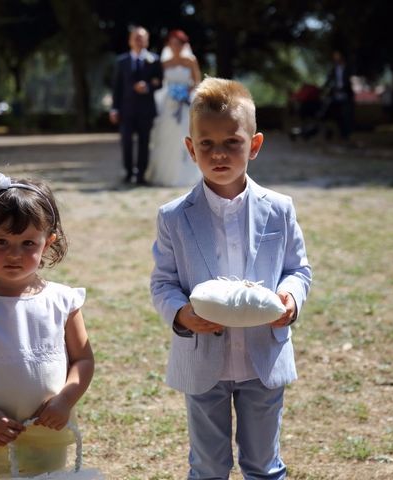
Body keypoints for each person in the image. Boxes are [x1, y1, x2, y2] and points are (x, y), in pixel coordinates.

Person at [150, 77, 312, 478]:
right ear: (191, 149)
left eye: (232, 142)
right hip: (204, 363)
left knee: (264, 464)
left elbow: (298, 269)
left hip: (263, 359)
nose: (218, 153)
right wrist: (181, 314)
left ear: (254, 145)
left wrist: (290, 299)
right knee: (207, 466)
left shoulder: (279, 209)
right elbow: (163, 282)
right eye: (206, 144)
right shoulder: (174, 216)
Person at [0, 173, 95, 480]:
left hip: (47, 431)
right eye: (1, 242)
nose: (14, 254)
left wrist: (65, 400)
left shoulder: (64, 302)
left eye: (27, 243)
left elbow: (83, 359)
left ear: (47, 242)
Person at [145, 29, 202, 187]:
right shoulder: (165, 63)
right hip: (168, 104)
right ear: (169, 45)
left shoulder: (190, 61)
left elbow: (196, 82)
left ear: (184, 45)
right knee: (166, 137)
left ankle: (185, 174)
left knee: (185, 136)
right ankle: (166, 173)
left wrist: (185, 93)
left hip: (185, 103)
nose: (175, 47)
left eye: (178, 44)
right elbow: (160, 81)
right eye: (172, 44)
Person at [110, 26, 164, 185]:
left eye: (142, 38)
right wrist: (114, 108)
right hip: (126, 110)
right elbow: (116, 87)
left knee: (144, 143)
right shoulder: (121, 61)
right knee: (126, 142)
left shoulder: (154, 59)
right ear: (130, 40)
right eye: (136, 38)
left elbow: (160, 82)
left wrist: (147, 86)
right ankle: (128, 172)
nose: (139, 41)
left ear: (147, 41)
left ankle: (141, 175)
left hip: (146, 110)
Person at [323, 49, 355, 140]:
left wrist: (343, 88)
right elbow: (329, 80)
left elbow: (350, 81)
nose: (336, 58)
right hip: (336, 95)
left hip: (346, 95)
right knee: (337, 115)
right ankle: (340, 134)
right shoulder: (334, 69)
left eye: (337, 56)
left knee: (347, 115)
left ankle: (346, 135)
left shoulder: (348, 68)